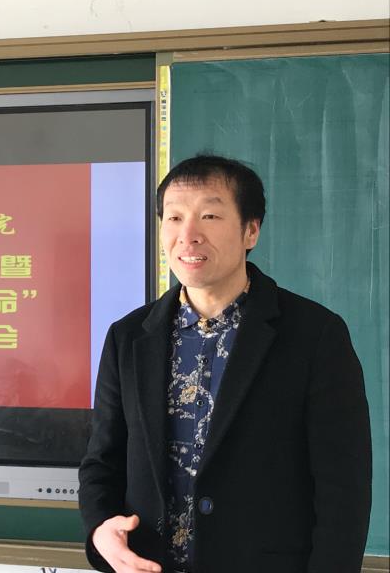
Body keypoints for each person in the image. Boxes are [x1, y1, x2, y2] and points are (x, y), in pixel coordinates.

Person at [78, 155, 372, 573]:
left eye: (210, 216)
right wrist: (100, 529)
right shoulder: (127, 337)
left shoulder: (314, 335)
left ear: (251, 230)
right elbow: (102, 462)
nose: (188, 235)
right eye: (174, 218)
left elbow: (343, 488)